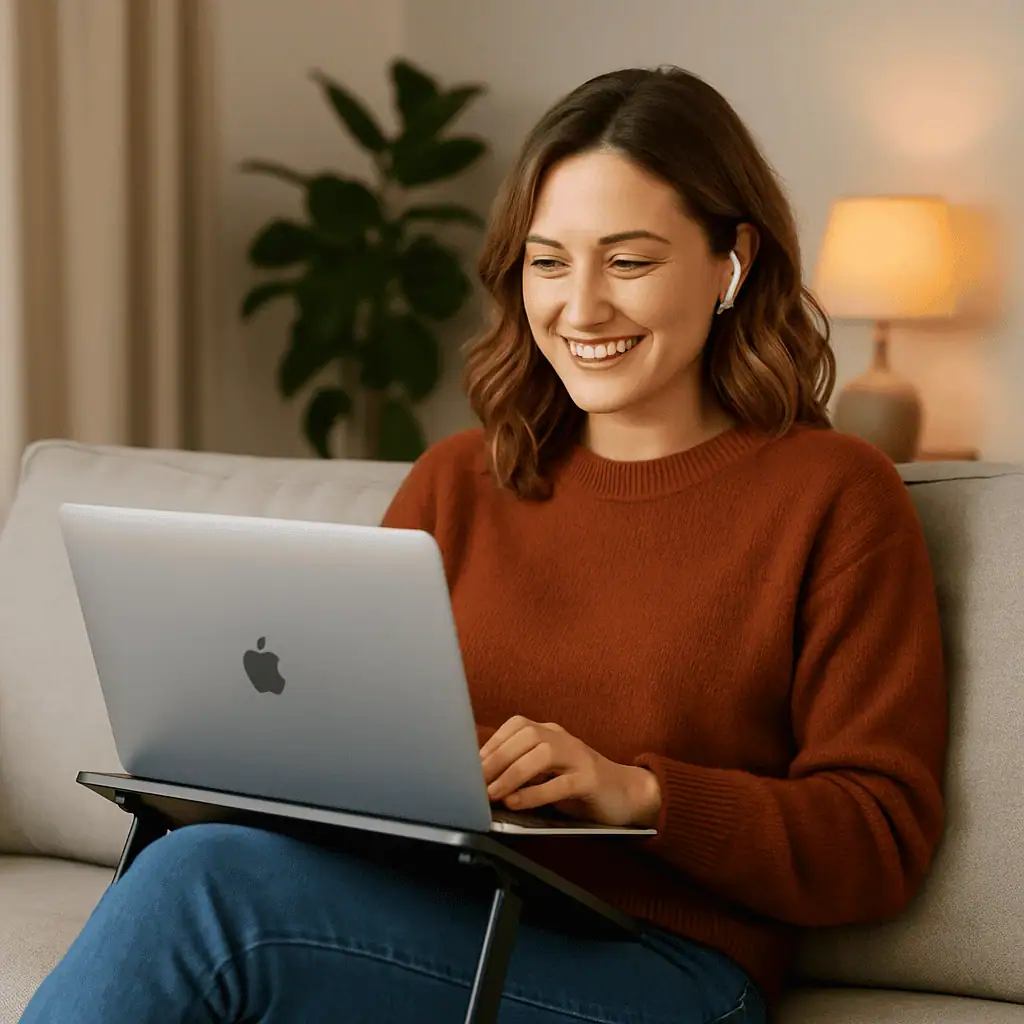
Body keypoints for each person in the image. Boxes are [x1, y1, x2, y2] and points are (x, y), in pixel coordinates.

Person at [20, 65, 948, 1024]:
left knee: (205, 892)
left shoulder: (834, 495)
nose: (581, 309)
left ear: (732, 262)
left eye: (628, 262)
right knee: (198, 857)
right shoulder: (458, 481)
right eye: (549, 262)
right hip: (435, 921)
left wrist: (637, 793)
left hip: (672, 969)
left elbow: (878, 837)